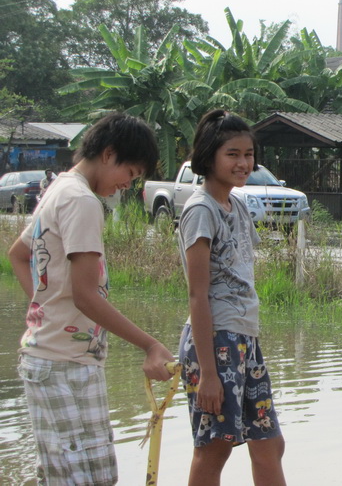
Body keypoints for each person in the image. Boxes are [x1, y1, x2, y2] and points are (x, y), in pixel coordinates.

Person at [8, 113, 174, 485]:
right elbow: (84, 296)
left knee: (97, 477)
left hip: (73, 362)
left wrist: (43, 308)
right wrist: (150, 345)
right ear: (108, 153)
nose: (126, 185)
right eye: (129, 172)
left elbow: (19, 255)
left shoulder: (59, 189)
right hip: (59, 365)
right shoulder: (80, 200)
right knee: (75, 480)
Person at [177, 109, 286, 486]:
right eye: (233, 154)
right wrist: (208, 372)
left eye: (248, 154)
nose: (243, 163)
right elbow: (197, 294)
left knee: (270, 443)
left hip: (244, 339)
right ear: (209, 157)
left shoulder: (236, 204)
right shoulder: (200, 210)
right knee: (214, 448)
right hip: (215, 342)